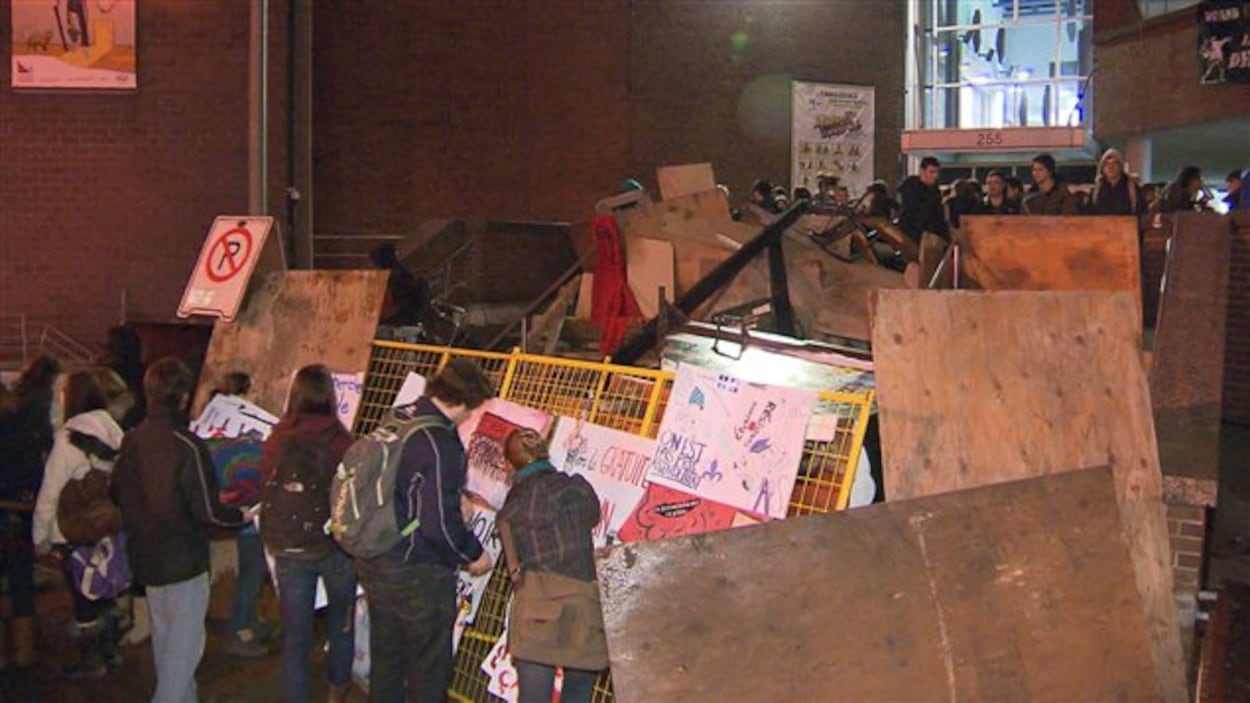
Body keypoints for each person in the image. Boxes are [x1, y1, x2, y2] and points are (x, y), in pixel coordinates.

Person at [111, 357, 256, 703]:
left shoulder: (132, 440)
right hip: (184, 559)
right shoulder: (187, 445)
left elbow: (116, 491)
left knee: (166, 642)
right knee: (185, 647)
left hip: (146, 555)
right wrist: (242, 515)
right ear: (182, 395)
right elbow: (209, 511)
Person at [356, 358, 495, 703]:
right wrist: (473, 553)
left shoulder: (400, 417)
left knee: (387, 658)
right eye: (472, 411)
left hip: (376, 558)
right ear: (463, 403)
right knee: (428, 666)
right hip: (417, 570)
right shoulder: (439, 443)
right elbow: (439, 524)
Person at [261, 365, 357, 703]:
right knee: (341, 624)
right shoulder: (342, 441)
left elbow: (263, 484)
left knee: (295, 637)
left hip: (290, 549)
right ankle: (336, 691)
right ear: (330, 396)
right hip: (335, 548)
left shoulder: (277, 439)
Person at [32, 368, 131, 678]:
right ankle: (111, 651)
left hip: (74, 529)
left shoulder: (67, 440)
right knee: (105, 586)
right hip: (108, 524)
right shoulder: (116, 432)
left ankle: (92, 662)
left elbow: (50, 493)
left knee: (83, 595)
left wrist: (40, 537)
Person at [497, 429, 606, 703]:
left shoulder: (515, 504)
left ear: (510, 465)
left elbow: (514, 566)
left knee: (533, 697)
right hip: (585, 605)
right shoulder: (577, 488)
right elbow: (593, 515)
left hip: (538, 606)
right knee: (578, 695)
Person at [0, 355, 60, 671]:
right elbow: (37, 466)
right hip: (21, 512)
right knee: (22, 581)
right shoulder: (22, 426)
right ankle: (24, 652)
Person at [896, 156, 948, 242]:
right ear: (922, 171)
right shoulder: (912, 188)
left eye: (937, 172)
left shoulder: (934, 190)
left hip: (928, 233)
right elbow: (914, 212)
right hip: (914, 233)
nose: (935, 176)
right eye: (931, 172)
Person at [1086, 149, 1143, 216]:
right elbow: (1089, 215)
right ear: (1102, 168)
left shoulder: (1132, 189)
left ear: (1121, 167)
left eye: (1115, 163)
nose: (1111, 167)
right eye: (1107, 164)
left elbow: (1141, 214)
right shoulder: (1096, 190)